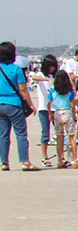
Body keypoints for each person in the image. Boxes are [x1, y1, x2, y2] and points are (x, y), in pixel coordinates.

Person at [0, 41, 36, 171]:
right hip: (14, 104)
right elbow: (23, 89)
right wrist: (31, 104)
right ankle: (25, 161)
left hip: (0, 103)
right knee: (20, 134)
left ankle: (4, 162)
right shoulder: (16, 69)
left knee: (3, 135)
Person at [26, 56, 53, 167]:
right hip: (44, 108)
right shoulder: (41, 75)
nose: (52, 68)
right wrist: (47, 79)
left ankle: (61, 157)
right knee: (45, 133)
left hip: (55, 108)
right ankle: (44, 157)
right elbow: (34, 78)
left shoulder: (54, 76)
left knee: (60, 133)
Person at [50, 67, 77, 168]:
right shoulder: (70, 91)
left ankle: (60, 160)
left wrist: (50, 113)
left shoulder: (54, 90)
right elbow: (73, 103)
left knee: (59, 137)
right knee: (72, 137)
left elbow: (49, 101)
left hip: (57, 113)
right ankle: (74, 160)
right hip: (67, 112)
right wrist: (74, 114)